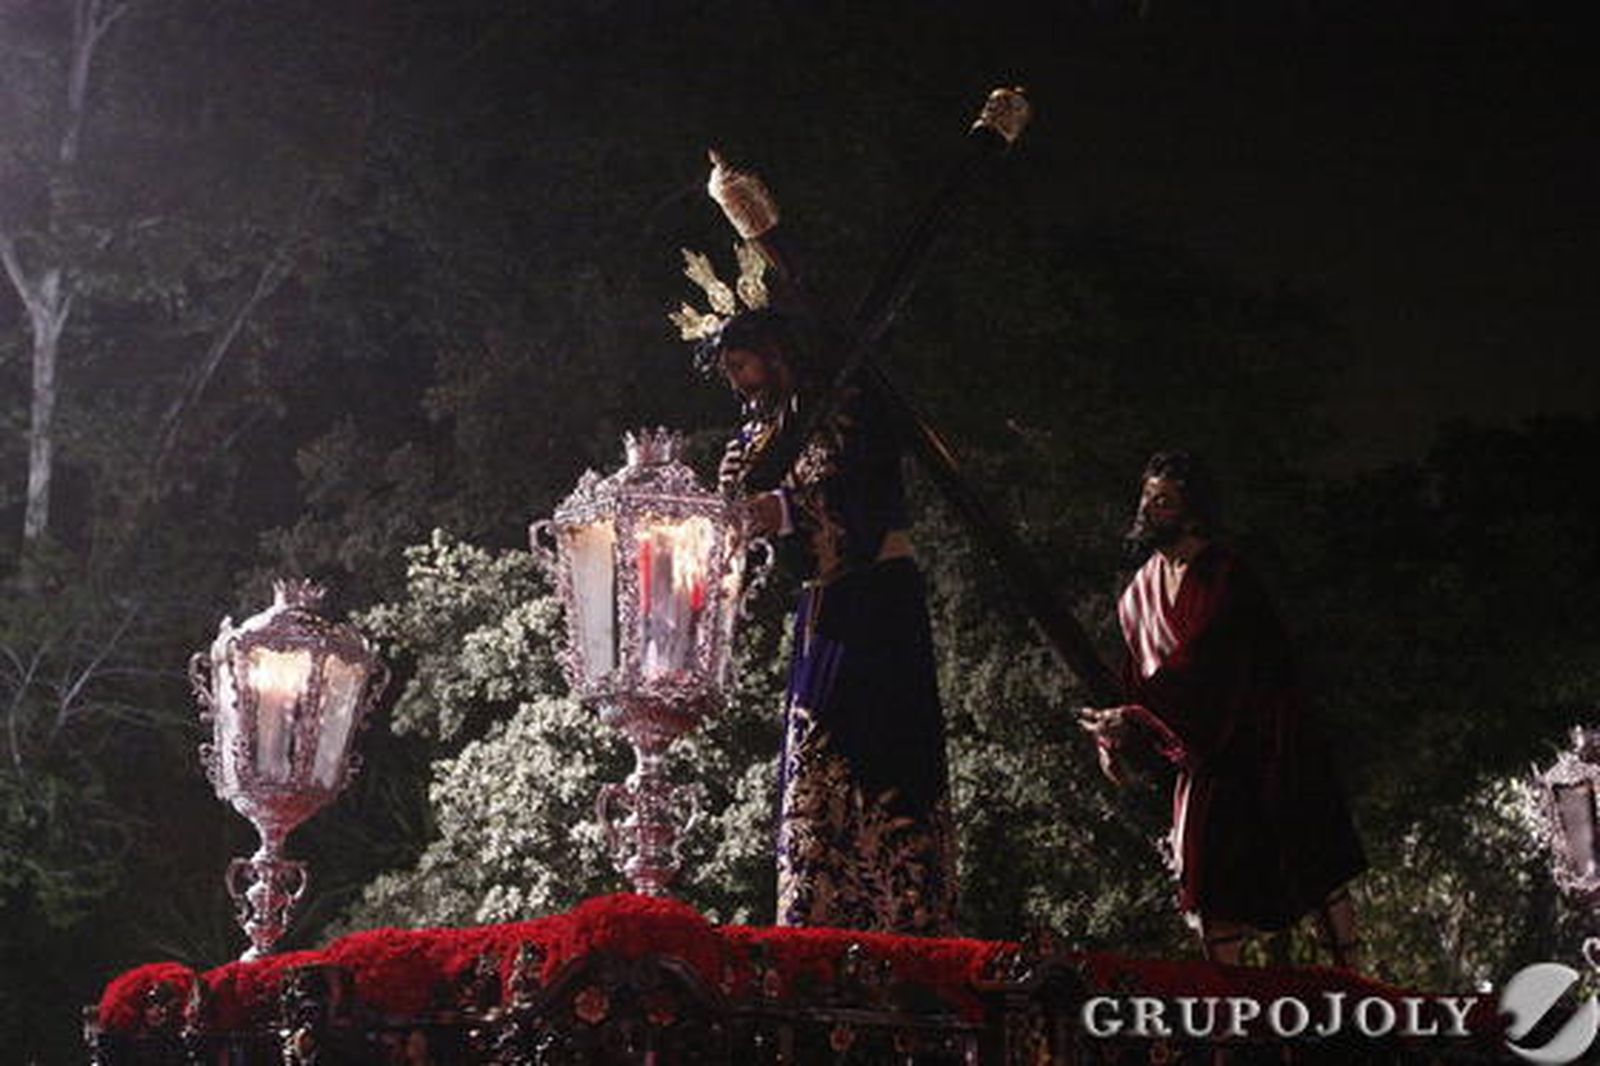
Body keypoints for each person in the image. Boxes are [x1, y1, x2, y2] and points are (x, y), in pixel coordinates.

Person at [709, 308, 958, 936]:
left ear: (774, 352)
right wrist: (739, 508)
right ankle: (818, 914)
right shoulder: (763, 437)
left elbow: (870, 497)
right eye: (728, 371)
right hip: (821, 609)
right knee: (815, 753)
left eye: (740, 364)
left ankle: (900, 913)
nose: (736, 382)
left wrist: (784, 510)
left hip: (877, 599)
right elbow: (766, 547)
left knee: (873, 746)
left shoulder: (848, 403)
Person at [1080, 451, 1366, 967]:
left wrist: (1137, 717)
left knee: (1314, 869)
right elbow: (1138, 678)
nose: (1146, 509)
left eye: (1162, 501)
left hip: (1267, 746)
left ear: (1192, 513)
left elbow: (1206, 666)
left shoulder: (1226, 577)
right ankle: (1226, 1006)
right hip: (1206, 759)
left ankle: (1357, 986)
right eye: (1145, 497)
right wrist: (1114, 733)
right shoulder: (1141, 591)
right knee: (1209, 882)